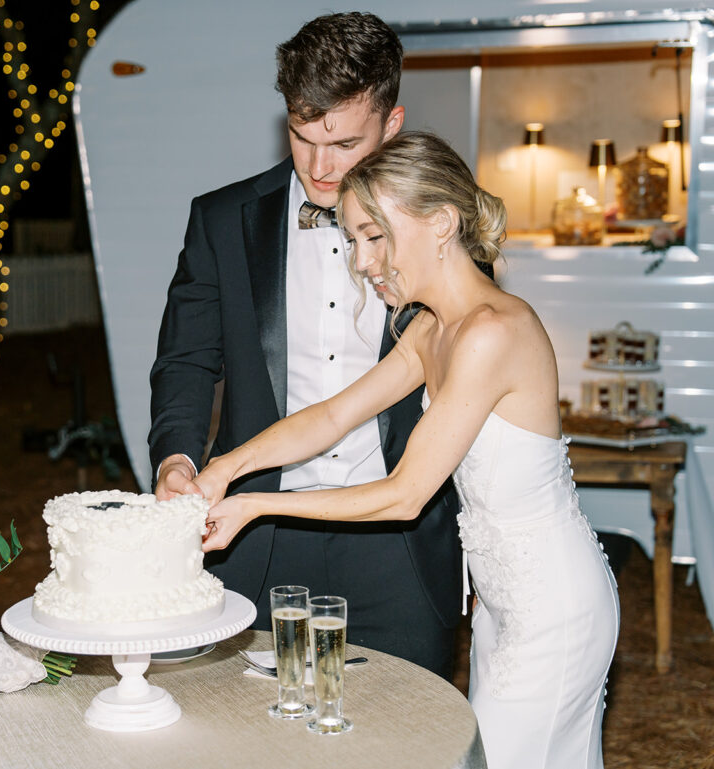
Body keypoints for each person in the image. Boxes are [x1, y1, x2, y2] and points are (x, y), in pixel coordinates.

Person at [196, 131, 620, 769]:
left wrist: (253, 505)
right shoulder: (433, 327)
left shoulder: (492, 333)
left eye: (375, 236)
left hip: (553, 609)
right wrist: (224, 469)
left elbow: (404, 496)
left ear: (442, 223)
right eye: (353, 240)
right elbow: (334, 414)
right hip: (503, 603)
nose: (363, 262)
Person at [149, 12, 462, 677]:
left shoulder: (439, 229)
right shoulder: (221, 220)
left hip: (397, 542)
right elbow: (186, 358)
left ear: (392, 125)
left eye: (344, 142)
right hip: (255, 539)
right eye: (301, 134)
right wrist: (176, 458)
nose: (320, 167)